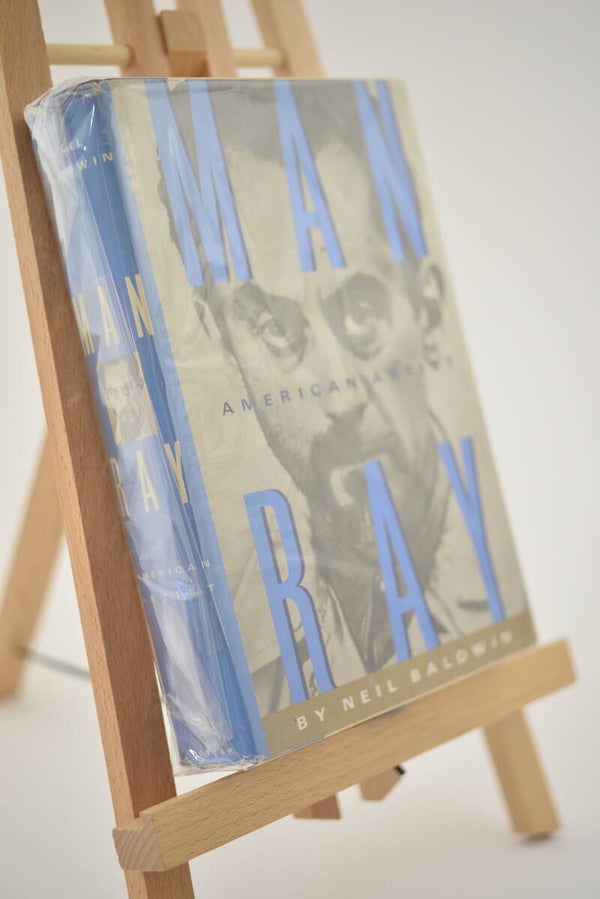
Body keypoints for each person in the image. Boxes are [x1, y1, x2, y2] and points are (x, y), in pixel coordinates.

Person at [158, 80, 499, 714]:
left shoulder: (497, 582)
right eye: (275, 329)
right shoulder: (249, 674)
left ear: (426, 308)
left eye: (361, 314)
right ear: (227, 349)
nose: (339, 399)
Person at [99, 352, 156, 445]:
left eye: (127, 389)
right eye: (114, 394)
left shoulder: (158, 430)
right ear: (106, 397)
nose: (124, 403)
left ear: (140, 385)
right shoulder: (107, 444)